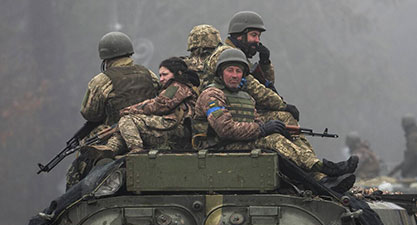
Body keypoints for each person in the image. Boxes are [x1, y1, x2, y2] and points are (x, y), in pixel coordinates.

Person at [193, 48, 357, 193]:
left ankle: (321, 177)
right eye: (230, 70)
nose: (235, 75)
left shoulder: (245, 97)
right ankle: (323, 167)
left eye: (238, 71)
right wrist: (263, 130)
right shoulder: (212, 95)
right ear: (220, 73)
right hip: (218, 145)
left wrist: (269, 128)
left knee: (280, 136)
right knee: (274, 140)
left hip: (239, 141)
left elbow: (256, 121)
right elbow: (225, 130)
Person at [66, 31, 160, 189]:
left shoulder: (101, 80)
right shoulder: (149, 75)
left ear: (105, 57)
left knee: (78, 167)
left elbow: (90, 113)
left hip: (112, 135)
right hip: (148, 132)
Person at [202, 12, 299, 125]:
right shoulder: (228, 55)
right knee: (285, 117)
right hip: (225, 111)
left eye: (258, 36)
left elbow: (266, 85)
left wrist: (265, 63)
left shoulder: (239, 56)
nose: (257, 40)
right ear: (240, 35)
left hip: (239, 106)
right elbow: (254, 88)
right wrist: (283, 106)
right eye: (254, 35)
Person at [109, 57, 200, 154]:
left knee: (127, 120)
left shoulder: (177, 87)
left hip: (176, 130)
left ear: (178, 73)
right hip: (172, 128)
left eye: (165, 74)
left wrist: (129, 110)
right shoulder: (179, 86)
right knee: (123, 127)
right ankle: (110, 148)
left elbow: (159, 106)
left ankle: (136, 151)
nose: (161, 79)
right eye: (160, 75)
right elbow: (156, 102)